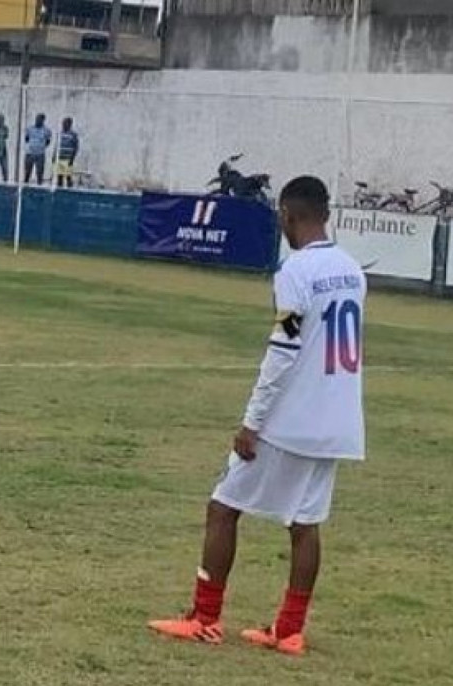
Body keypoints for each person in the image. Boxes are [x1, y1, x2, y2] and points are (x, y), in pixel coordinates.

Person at [149, 176, 365, 657]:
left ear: (288, 215)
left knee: (223, 507)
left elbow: (284, 349)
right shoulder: (352, 269)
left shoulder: (295, 271)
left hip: (291, 421)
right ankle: (289, 630)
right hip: (337, 420)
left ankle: (204, 618)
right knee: (305, 523)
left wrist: (252, 421)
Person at [23, 114, 52, 185]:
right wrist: (32, 146)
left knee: (39, 173)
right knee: (27, 172)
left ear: (43, 120)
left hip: (40, 154)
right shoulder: (29, 128)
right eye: (37, 119)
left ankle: (39, 187)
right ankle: (25, 186)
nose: (38, 121)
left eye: (39, 119)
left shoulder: (46, 130)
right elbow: (26, 139)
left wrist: (41, 147)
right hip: (30, 153)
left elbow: (48, 141)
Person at [54, 117, 79, 188]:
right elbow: (57, 145)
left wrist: (72, 158)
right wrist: (54, 156)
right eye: (63, 123)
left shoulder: (73, 135)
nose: (63, 125)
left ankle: (70, 189)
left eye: (65, 123)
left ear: (69, 124)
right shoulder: (60, 133)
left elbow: (76, 147)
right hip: (60, 157)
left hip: (68, 158)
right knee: (59, 176)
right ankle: (59, 190)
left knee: (68, 176)